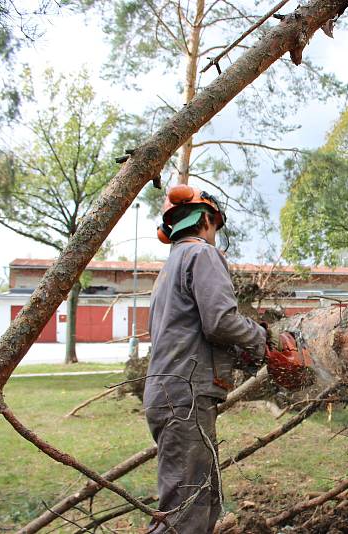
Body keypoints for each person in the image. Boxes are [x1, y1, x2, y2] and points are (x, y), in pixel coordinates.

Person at [144, 184, 267, 533]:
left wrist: (243, 354)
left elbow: (196, 330)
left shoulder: (168, 268)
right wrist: (263, 340)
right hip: (184, 397)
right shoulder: (202, 254)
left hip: (172, 394)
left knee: (205, 501)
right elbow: (221, 322)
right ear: (208, 220)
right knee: (185, 514)